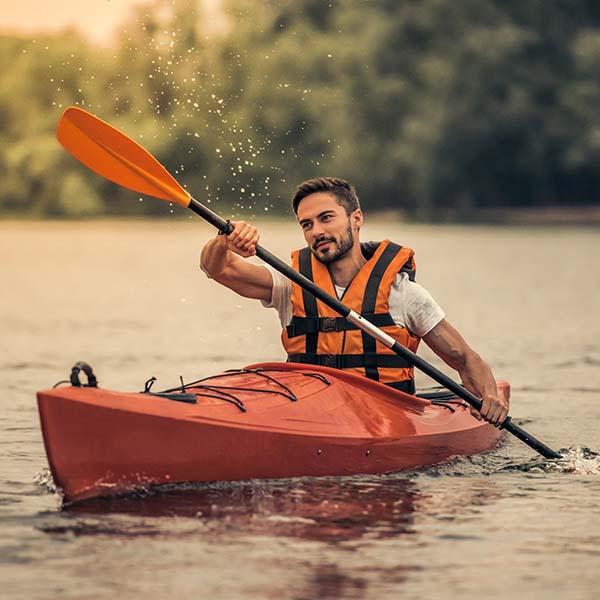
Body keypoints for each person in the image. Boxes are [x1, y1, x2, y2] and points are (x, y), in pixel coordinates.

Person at [200, 177, 509, 426]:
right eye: (306, 224)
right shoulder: (290, 283)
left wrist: (490, 398)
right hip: (309, 415)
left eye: (326, 218)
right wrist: (224, 240)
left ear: (356, 218)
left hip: (385, 420)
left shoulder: (403, 295)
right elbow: (218, 268)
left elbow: (464, 359)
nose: (317, 231)